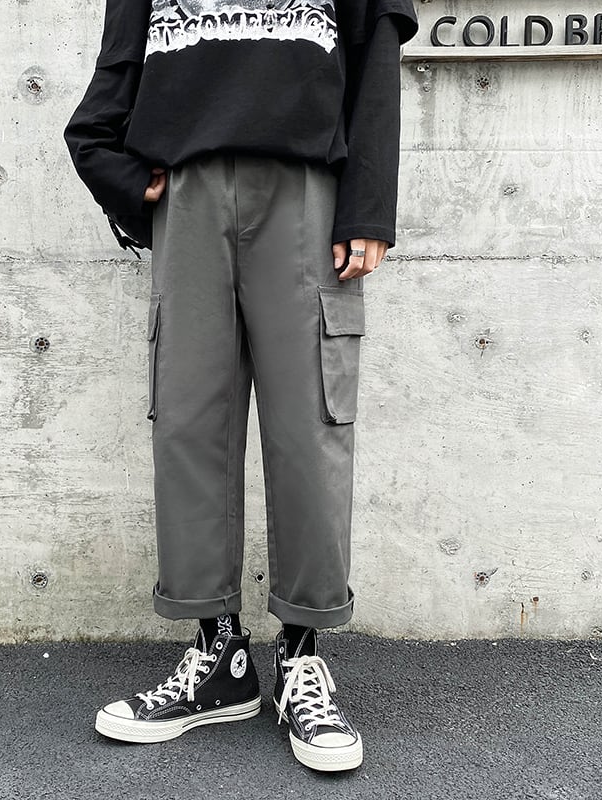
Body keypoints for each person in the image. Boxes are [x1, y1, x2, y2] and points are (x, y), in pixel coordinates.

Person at [63, 0, 418, 772]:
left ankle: (301, 657)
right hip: (187, 191)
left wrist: (368, 205)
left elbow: (375, 49)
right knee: (189, 422)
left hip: (306, 189)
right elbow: (116, 71)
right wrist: (115, 170)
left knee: (309, 426)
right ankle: (218, 657)